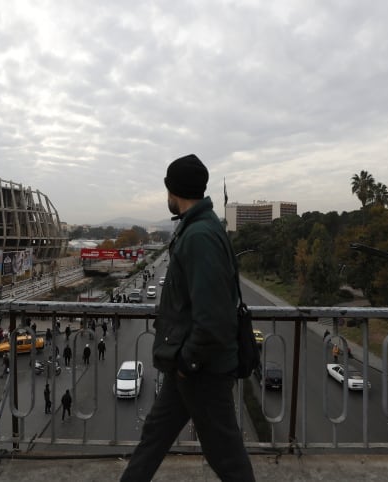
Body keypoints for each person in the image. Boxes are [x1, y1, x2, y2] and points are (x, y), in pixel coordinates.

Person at [121, 154, 254, 482]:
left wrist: (187, 363)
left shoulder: (199, 237)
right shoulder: (200, 228)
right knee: (154, 437)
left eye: (167, 188)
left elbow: (214, 319)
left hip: (201, 370)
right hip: (189, 366)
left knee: (227, 457)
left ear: (174, 191)